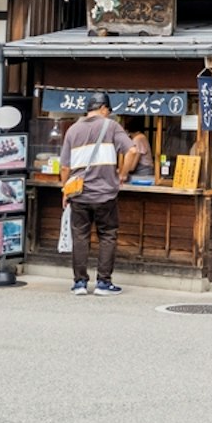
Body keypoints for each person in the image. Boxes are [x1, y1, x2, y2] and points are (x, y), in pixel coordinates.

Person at [59, 92, 136, 296]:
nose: (108, 114)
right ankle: (103, 283)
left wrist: (65, 190)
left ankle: (80, 283)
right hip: (105, 194)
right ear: (104, 108)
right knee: (108, 236)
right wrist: (122, 173)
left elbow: (65, 167)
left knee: (80, 237)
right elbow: (133, 151)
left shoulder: (73, 130)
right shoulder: (111, 126)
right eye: (108, 111)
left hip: (79, 194)